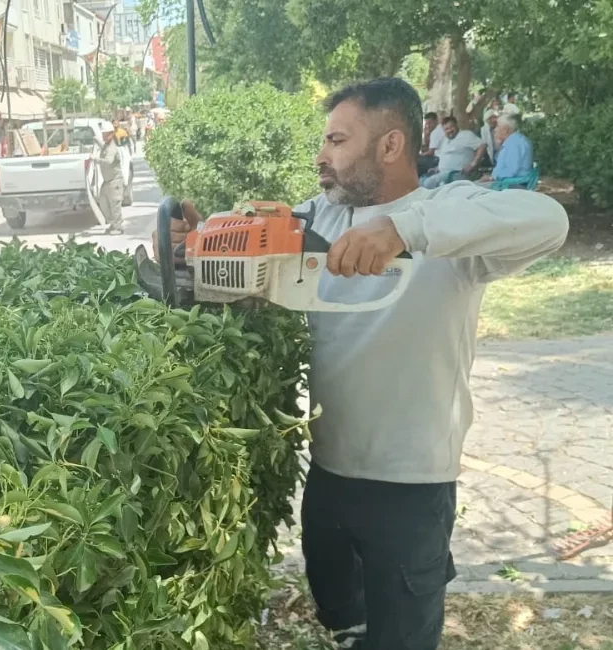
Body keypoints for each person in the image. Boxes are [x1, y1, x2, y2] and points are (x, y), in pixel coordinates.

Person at [157, 77, 567, 649]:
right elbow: (244, 246)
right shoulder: (316, 218)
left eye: (338, 141)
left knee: (402, 634)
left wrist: (402, 231)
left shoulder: (443, 214)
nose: (321, 156)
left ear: (390, 146)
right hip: (328, 469)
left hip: (410, 482)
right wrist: (196, 238)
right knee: (340, 608)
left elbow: (549, 222)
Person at [420, 116, 483, 188]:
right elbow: (445, 157)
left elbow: (482, 145)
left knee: (427, 184)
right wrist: (438, 168)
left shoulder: (466, 135)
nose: (449, 130)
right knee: (421, 180)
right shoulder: (445, 140)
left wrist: (473, 164)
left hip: (457, 173)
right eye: (446, 129)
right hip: (443, 173)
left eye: (451, 127)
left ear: (456, 125)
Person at [479, 113, 534, 186]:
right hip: (508, 182)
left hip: (511, 184)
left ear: (505, 130)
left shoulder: (514, 143)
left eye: (497, 126)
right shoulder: (514, 140)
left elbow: (510, 171)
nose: (495, 130)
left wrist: (491, 177)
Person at [95, 122, 125, 235]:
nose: (103, 136)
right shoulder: (107, 146)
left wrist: (96, 160)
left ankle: (118, 227)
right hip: (107, 181)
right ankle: (113, 224)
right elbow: (104, 149)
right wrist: (97, 142)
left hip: (114, 181)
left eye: (105, 134)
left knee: (115, 204)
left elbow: (108, 161)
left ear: (111, 134)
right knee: (103, 201)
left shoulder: (112, 148)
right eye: (103, 134)